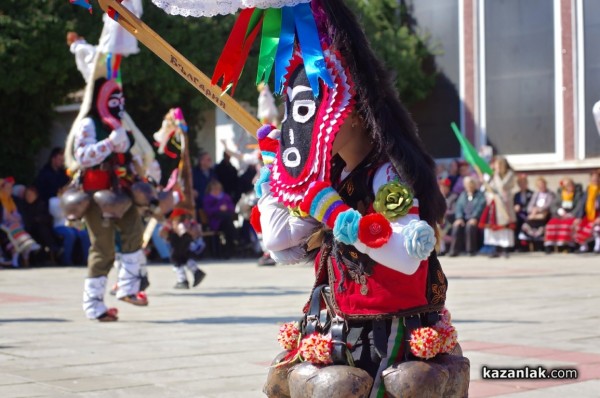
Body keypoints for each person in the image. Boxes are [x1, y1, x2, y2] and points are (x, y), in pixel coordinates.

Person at [64, 75, 152, 322]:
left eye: (121, 97)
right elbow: (81, 156)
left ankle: (128, 287)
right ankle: (93, 306)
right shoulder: (89, 124)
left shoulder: (121, 124)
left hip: (121, 192)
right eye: (114, 97)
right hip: (94, 196)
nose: (119, 102)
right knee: (102, 249)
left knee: (135, 233)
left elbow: (130, 154)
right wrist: (110, 144)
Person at [479, 156, 516, 258]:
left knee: (505, 226)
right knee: (492, 226)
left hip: (505, 204)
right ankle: (494, 248)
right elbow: (488, 189)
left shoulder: (509, 175)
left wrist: (495, 176)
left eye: (500, 165)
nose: (498, 167)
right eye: (496, 165)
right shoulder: (493, 175)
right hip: (494, 204)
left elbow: (502, 187)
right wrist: (484, 181)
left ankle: (505, 249)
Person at [160, 208, 206, 289]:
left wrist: (166, 237)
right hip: (187, 238)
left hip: (176, 239)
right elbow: (197, 229)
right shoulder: (188, 219)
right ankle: (196, 271)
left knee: (176, 259)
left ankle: (182, 280)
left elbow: (163, 232)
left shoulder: (172, 219)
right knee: (184, 256)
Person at [0, 177, 41, 267]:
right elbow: (5, 216)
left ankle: (26, 246)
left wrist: (17, 219)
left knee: (19, 227)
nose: (11, 190)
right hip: (3, 225)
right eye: (8, 188)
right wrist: (14, 220)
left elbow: (16, 214)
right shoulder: (1, 200)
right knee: (15, 228)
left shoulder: (11, 200)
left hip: (11, 225)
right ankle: (28, 243)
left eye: (11, 188)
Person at [17, 185, 61, 264]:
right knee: (41, 229)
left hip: (42, 229)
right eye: (27, 195)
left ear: (36, 196)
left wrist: (39, 219)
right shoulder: (23, 206)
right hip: (29, 228)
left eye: (31, 195)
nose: (29, 197)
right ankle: (52, 248)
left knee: (43, 228)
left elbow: (48, 217)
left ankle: (53, 250)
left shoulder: (41, 204)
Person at [49, 187, 91, 265]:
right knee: (70, 234)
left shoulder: (74, 200)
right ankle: (66, 260)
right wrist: (64, 203)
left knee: (85, 234)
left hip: (74, 226)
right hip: (60, 226)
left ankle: (87, 260)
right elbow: (57, 215)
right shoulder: (53, 200)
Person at [448, 176, 486, 257]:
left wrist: (475, 217)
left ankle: (470, 250)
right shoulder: (463, 195)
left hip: (475, 219)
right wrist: (459, 218)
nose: (469, 186)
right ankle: (454, 250)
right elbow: (458, 207)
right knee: (457, 226)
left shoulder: (480, 195)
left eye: (471, 184)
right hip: (464, 218)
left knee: (470, 226)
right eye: (467, 184)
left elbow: (480, 207)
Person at [544, 177, 583, 253]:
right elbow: (553, 205)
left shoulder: (577, 195)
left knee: (569, 225)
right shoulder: (560, 194)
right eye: (567, 186)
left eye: (570, 185)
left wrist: (571, 214)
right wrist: (560, 211)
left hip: (571, 215)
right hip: (560, 215)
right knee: (551, 224)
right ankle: (549, 245)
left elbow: (579, 206)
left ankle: (568, 245)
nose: (569, 187)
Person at [203, 179, 238, 256]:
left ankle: (230, 248)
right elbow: (208, 211)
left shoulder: (225, 196)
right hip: (215, 222)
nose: (217, 191)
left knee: (227, 222)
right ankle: (235, 240)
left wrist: (226, 208)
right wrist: (219, 208)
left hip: (225, 221)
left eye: (218, 189)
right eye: (214, 189)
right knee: (228, 221)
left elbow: (232, 207)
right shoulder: (208, 198)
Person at [519, 176, 555, 250]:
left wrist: (538, 210)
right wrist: (533, 210)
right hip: (534, 215)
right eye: (539, 185)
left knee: (542, 225)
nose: (541, 186)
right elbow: (530, 205)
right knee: (526, 224)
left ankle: (542, 245)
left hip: (544, 214)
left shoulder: (550, 194)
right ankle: (527, 244)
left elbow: (549, 205)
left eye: (542, 184)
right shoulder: (536, 194)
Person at [574, 170, 600, 253]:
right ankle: (583, 246)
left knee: (596, 228)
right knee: (579, 226)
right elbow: (582, 205)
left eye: (597, 179)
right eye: (593, 179)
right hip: (589, 215)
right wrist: (578, 217)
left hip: (598, 215)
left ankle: (597, 246)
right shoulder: (588, 191)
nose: (595, 181)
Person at [513, 173, 533, 251]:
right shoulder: (516, 195)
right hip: (518, 215)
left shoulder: (531, 194)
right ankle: (517, 244)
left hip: (527, 214)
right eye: (520, 183)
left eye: (524, 183)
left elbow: (531, 204)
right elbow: (514, 204)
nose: (522, 185)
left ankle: (525, 245)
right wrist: (515, 207)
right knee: (515, 224)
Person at [437, 177, 458, 255]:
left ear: (448, 187)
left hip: (449, 221)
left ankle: (442, 249)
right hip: (440, 220)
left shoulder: (453, 197)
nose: (443, 189)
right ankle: (440, 249)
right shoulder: (438, 197)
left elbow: (454, 210)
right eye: (441, 187)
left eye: (445, 187)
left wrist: (445, 212)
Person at [192, 150, 215, 216]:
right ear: (202, 161)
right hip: (199, 204)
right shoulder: (194, 173)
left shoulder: (212, 173)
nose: (210, 161)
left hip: (212, 202)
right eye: (208, 160)